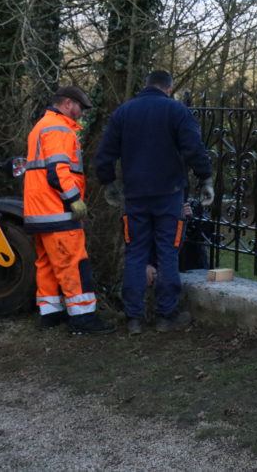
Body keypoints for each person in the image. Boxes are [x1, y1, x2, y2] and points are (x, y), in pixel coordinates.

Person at [95, 70, 214, 336]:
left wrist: (109, 183)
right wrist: (205, 178)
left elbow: (106, 152)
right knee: (168, 252)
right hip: (169, 194)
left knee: (135, 253)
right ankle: (165, 315)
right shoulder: (177, 112)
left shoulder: (124, 113)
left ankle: (134, 318)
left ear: (145, 85)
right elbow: (193, 148)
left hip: (135, 195)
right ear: (169, 89)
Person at [24, 85, 114, 335]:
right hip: (58, 210)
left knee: (47, 263)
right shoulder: (59, 129)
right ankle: (83, 319)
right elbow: (57, 171)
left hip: (39, 211)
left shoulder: (41, 126)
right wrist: (74, 199)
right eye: (81, 108)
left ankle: (50, 314)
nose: (82, 113)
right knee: (73, 263)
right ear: (67, 104)